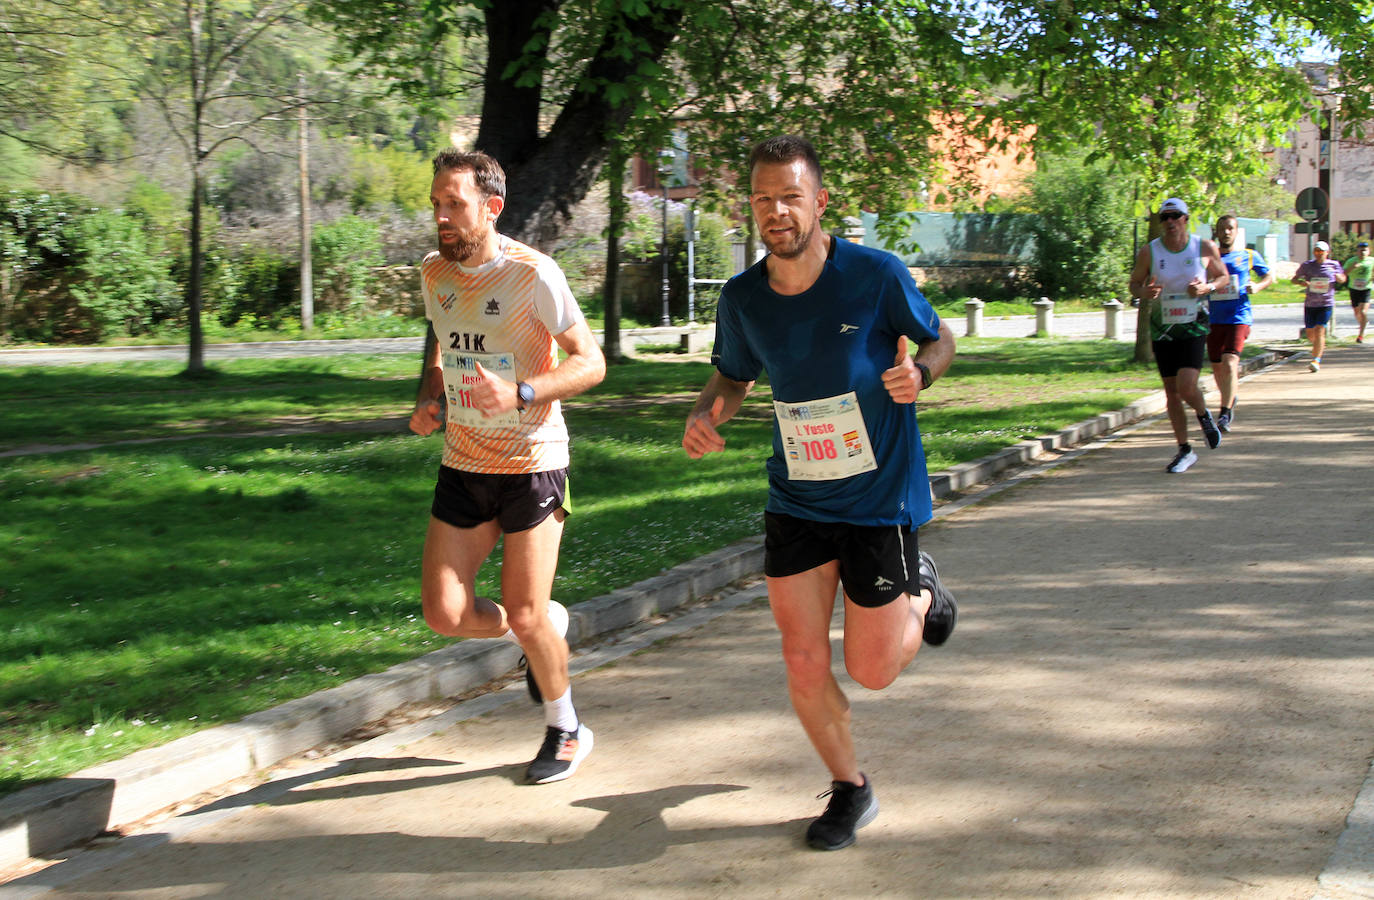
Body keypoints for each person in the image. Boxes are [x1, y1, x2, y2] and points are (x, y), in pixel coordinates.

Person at [681, 135, 958, 851]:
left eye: (790, 197)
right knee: (803, 659)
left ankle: (921, 592)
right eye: (762, 199)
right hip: (798, 498)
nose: (775, 212)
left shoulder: (875, 275)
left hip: (879, 498)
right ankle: (849, 787)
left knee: (871, 671)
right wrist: (707, 413)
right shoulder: (743, 299)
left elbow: (940, 339)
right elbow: (734, 377)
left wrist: (921, 375)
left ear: (820, 201)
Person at [409, 149, 606, 784]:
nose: (441, 217)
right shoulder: (433, 272)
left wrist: (522, 391)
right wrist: (430, 397)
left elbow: (591, 362)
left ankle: (566, 726)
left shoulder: (533, 275)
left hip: (532, 462)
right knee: (444, 613)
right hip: (464, 461)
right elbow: (443, 337)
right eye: (436, 203)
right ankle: (545, 625)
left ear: (491, 208)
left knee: (521, 610)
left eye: (454, 205)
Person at [1127, 197, 1231, 474]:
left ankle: (1204, 414)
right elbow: (1134, 284)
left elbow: (1224, 278)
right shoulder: (1150, 251)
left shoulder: (1203, 247)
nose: (1170, 222)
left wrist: (1206, 287)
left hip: (1194, 323)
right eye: (1165, 217)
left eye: (1175, 216)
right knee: (1172, 392)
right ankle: (1184, 449)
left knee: (1187, 386)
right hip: (1163, 327)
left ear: (1186, 219)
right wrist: (1143, 293)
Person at [1208, 215, 1274, 432]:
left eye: (1230, 228)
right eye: (1222, 229)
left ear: (1236, 232)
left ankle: (1225, 413)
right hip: (1214, 318)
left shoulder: (1249, 255)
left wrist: (1258, 286)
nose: (1226, 232)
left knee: (1229, 362)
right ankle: (1230, 396)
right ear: (1216, 232)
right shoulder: (1208, 257)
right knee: (1217, 367)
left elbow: (1269, 277)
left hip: (1239, 317)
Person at [1292, 240, 1346, 372]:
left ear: (1327, 252)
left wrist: (1338, 277)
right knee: (1311, 333)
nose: (1319, 254)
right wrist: (1301, 282)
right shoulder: (1307, 265)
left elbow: (1343, 279)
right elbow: (1294, 279)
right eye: (1316, 251)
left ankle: (1316, 360)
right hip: (1310, 303)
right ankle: (1317, 347)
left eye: (1321, 251)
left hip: (1326, 303)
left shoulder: (1333, 265)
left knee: (1320, 330)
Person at [1343, 240, 1372, 344]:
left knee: (1363, 311)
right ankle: (1363, 323)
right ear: (1357, 251)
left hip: (1366, 289)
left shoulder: (1371, 261)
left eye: (1365, 250)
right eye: (1361, 250)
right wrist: (1352, 268)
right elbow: (1343, 274)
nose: (1363, 252)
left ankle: (1361, 335)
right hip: (1354, 289)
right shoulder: (1351, 261)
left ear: (1368, 251)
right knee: (1357, 312)